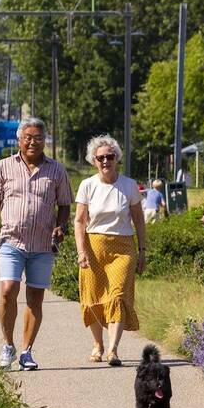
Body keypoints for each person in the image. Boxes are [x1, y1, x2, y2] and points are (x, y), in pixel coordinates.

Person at [0, 118, 72, 371]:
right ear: (19, 140)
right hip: (12, 240)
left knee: (35, 298)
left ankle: (26, 351)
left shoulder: (57, 170)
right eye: (28, 137)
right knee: (8, 290)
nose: (33, 142)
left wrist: (61, 225)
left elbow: (64, 204)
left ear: (44, 140)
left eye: (38, 137)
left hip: (43, 245)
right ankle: (7, 345)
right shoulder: (4, 167)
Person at [73, 135, 146, 367]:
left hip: (123, 248)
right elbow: (80, 221)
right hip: (94, 246)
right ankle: (98, 344)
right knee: (93, 298)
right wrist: (81, 251)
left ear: (117, 159)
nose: (106, 161)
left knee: (117, 296)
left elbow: (139, 219)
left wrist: (142, 250)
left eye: (110, 157)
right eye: (101, 158)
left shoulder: (129, 185)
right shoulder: (87, 185)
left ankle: (113, 349)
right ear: (94, 161)